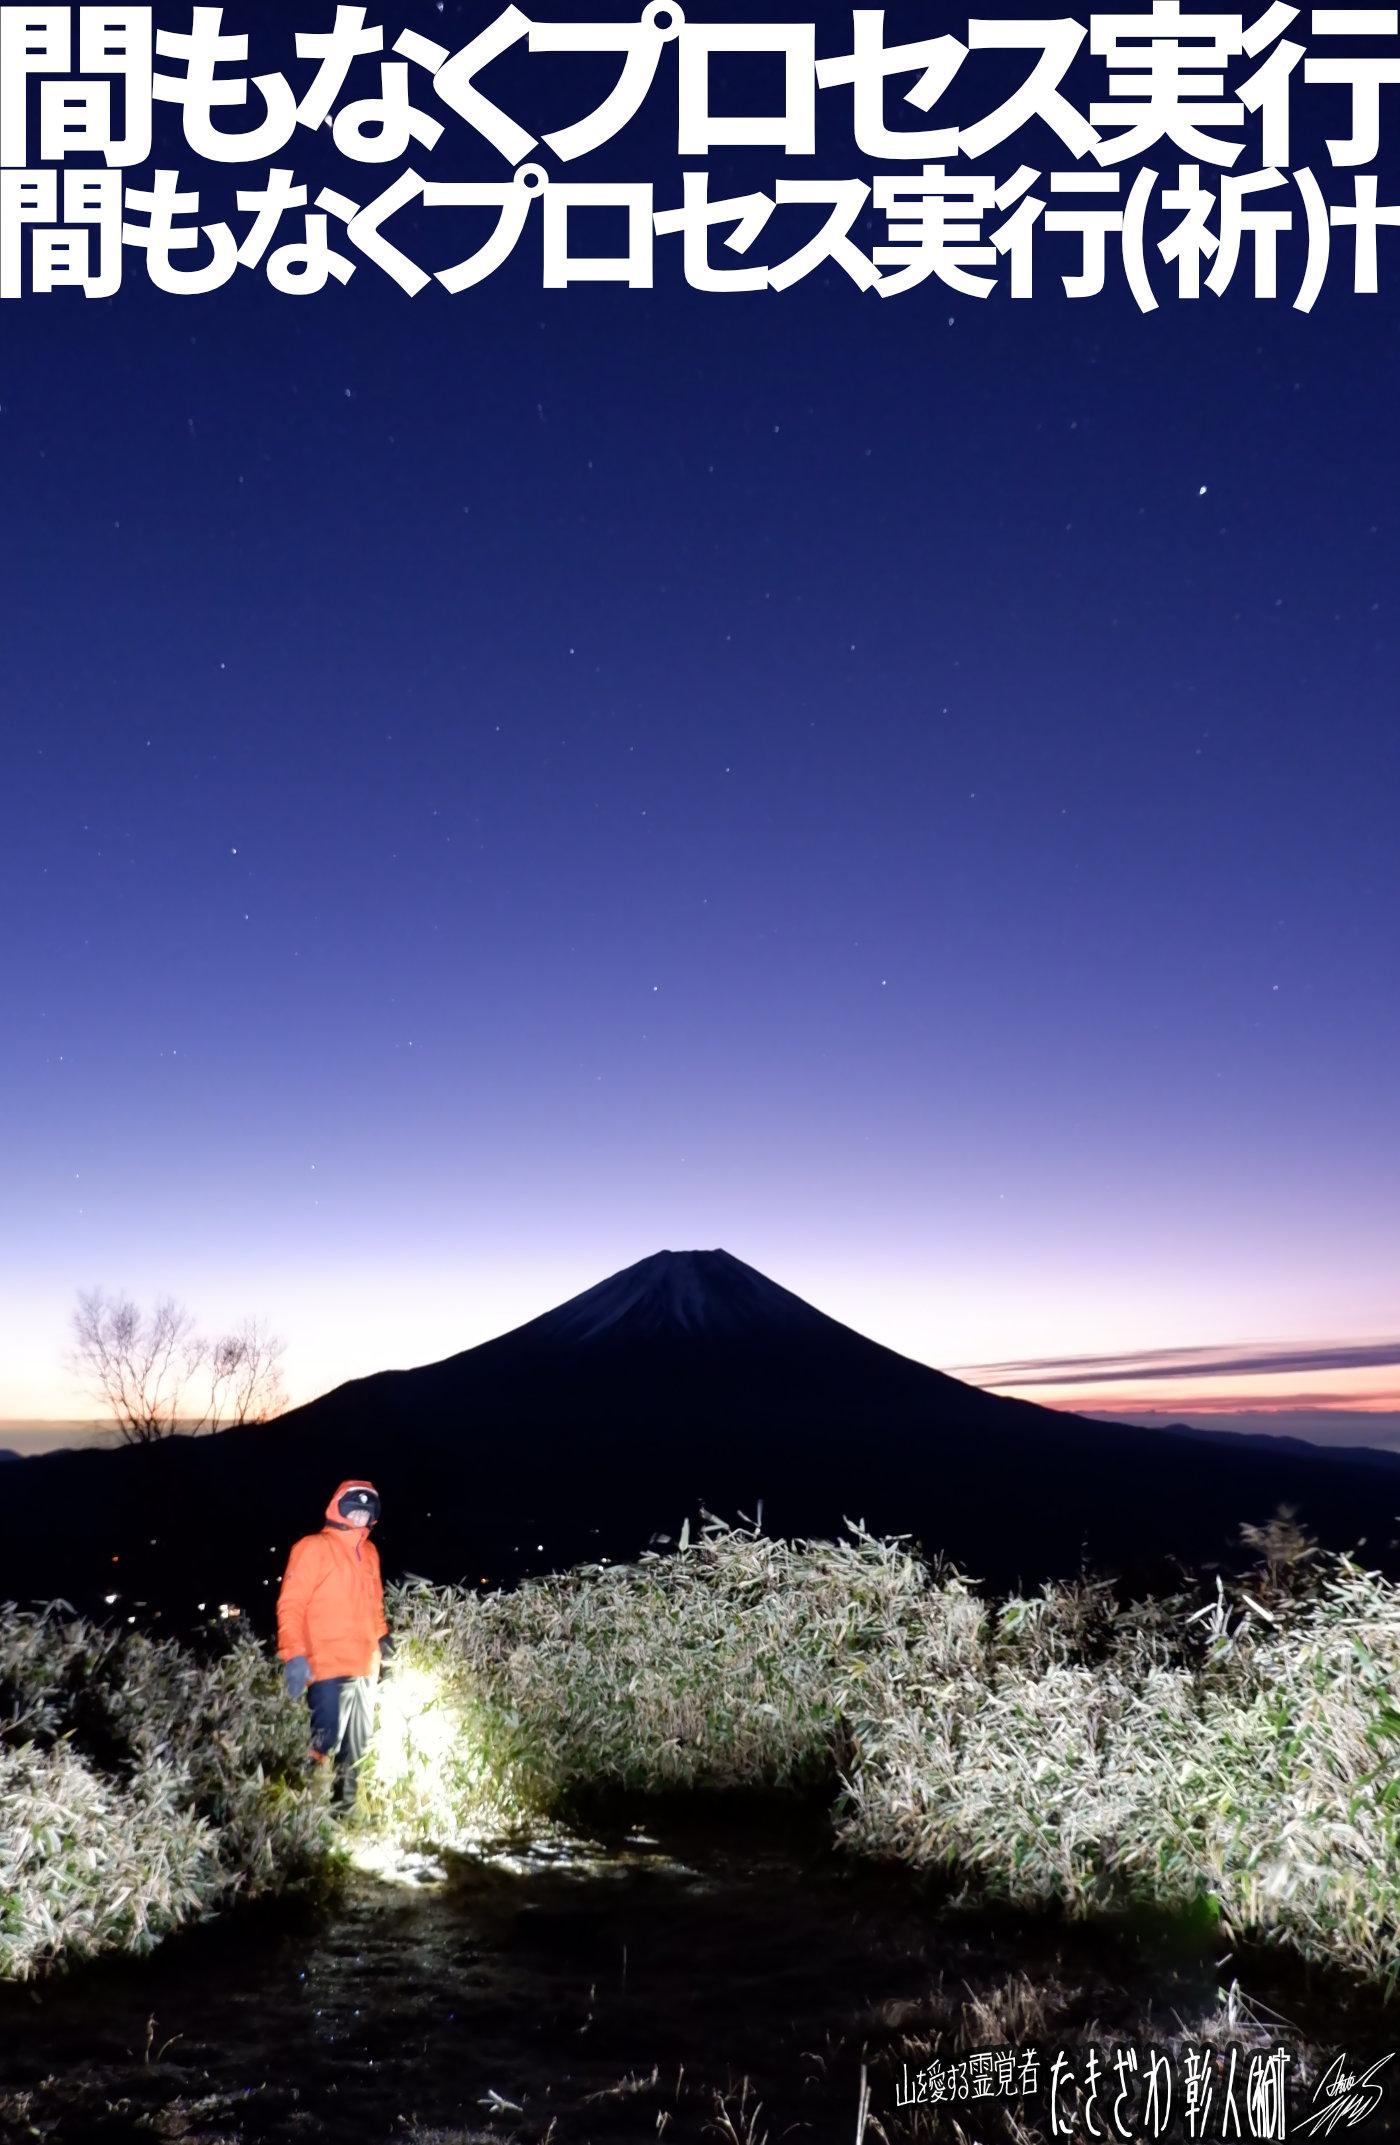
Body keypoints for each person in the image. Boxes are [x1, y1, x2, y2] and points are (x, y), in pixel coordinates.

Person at [277, 1479, 392, 1809]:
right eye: (352, 1509)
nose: (358, 1516)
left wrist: (383, 1640)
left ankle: (345, 1813)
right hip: (326, 1666)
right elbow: (290, 1605)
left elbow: (375, 1605)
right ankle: (310, 1818)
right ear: (338, 1509)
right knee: (323, 1741)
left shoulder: (370, 1552)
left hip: (365, 1667)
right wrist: (294, 1655)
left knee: (357, 1746)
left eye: (365, 1512)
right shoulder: (312, 1547)